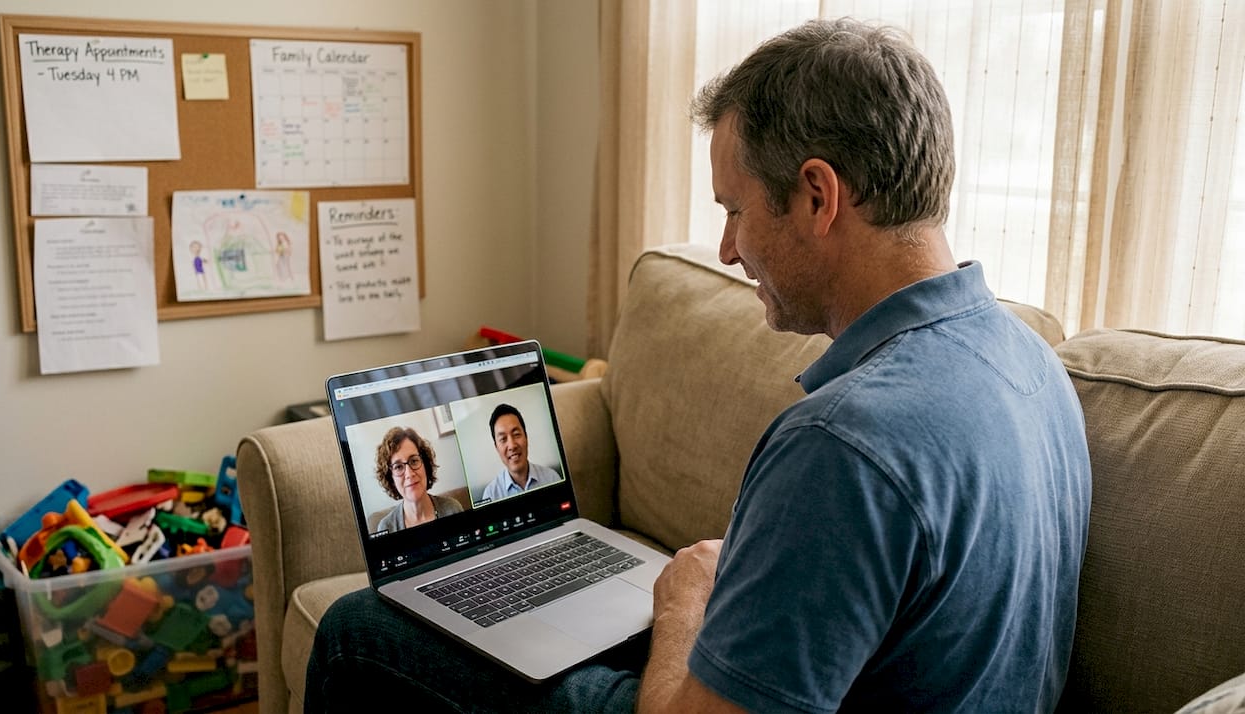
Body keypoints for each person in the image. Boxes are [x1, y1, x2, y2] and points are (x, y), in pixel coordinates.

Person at [305, 18, 1091, 713]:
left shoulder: (844, 442)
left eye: (733, 209)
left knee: (357, 630)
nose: (725, 249)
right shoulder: (1028, 361)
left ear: (818, 196)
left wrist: (686, 605)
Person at [372, 426, 463, 533]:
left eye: (414, 461)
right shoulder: (386, 528)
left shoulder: (453, 509)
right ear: (391, 478)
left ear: (425, 465)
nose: (409, 474)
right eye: (398, 467)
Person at [478, 403, 562, 503]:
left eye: (516, 434)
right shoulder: (491, 494)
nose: (512, 446)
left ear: (526, 437)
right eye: (503, 439)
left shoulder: (551, 478)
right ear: (496, 447)